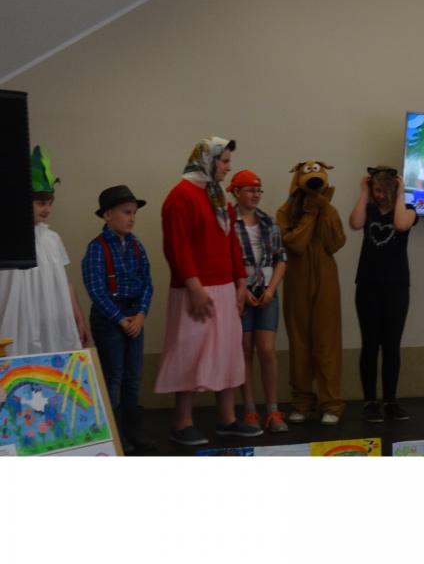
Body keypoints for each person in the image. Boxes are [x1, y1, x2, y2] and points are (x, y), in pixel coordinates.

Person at [154, 137, 262, 446]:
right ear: (208, 160)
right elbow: (177, 246)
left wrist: (240, 282)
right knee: (188, 352)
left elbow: (230, 243)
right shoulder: (180, 197)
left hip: (224, 288)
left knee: (227, 351)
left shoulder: (217, 198)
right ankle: (182, 423)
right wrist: (193, 285)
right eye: (224, 161)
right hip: (195, 290)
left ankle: (227, 420)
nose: (228, 167)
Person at [81, 185, 157, 454]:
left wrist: (141, 314)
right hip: (109, 319)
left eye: (134, 213)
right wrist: (121, 319)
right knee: (113, 377)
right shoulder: (97, 248)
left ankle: (134, 431)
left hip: (134, 316)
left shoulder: (136, 246)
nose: (132, 218)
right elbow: (96, 290)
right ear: (107, 215)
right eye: (126, 212)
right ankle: (115, 435)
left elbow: (147, 283)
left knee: (133, 377)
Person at [0, 145, 89, 356]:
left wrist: (78, 317)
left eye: (50, 203)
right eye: (41, 203)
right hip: (19, 321)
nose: (47, 209)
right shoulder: (9, 239)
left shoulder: (52, 239)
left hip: (50, 321)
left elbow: (65, 282)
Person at [277, 161, 347, 425]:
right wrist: (309, 215)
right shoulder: (285, 212)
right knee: (299, 341)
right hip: (297, 279)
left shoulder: (329, 209)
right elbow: (294, 244)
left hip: (326, 278)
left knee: (327, 341)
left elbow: (336, 243)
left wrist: (324, 209)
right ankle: (302, 402)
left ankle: (331, 404)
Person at [348, 166, 417, 422]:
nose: (379, 195)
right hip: (368, 286)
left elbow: (400, 225)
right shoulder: (368, 210)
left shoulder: (409, 210)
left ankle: (390, 400)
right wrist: (364, 192)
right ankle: (370, 401)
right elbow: (354, 223)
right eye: (375, 190)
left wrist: (400, 194)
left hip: (396, 286)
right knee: (370, 345)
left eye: (383, 190)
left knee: (391, 346)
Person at [227, 169, 289, 432]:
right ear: (236, 192)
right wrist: (240, 290)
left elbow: (281, 259)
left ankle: (273, 410)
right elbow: (225, 261)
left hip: (266, 293)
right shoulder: (228, 222)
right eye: (250, 190)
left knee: (266, 350)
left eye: (258, 190)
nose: (255, 195)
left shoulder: (267, 222)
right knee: (245, 350)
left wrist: (272, 289)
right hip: (241, 294)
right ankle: (250, 410)